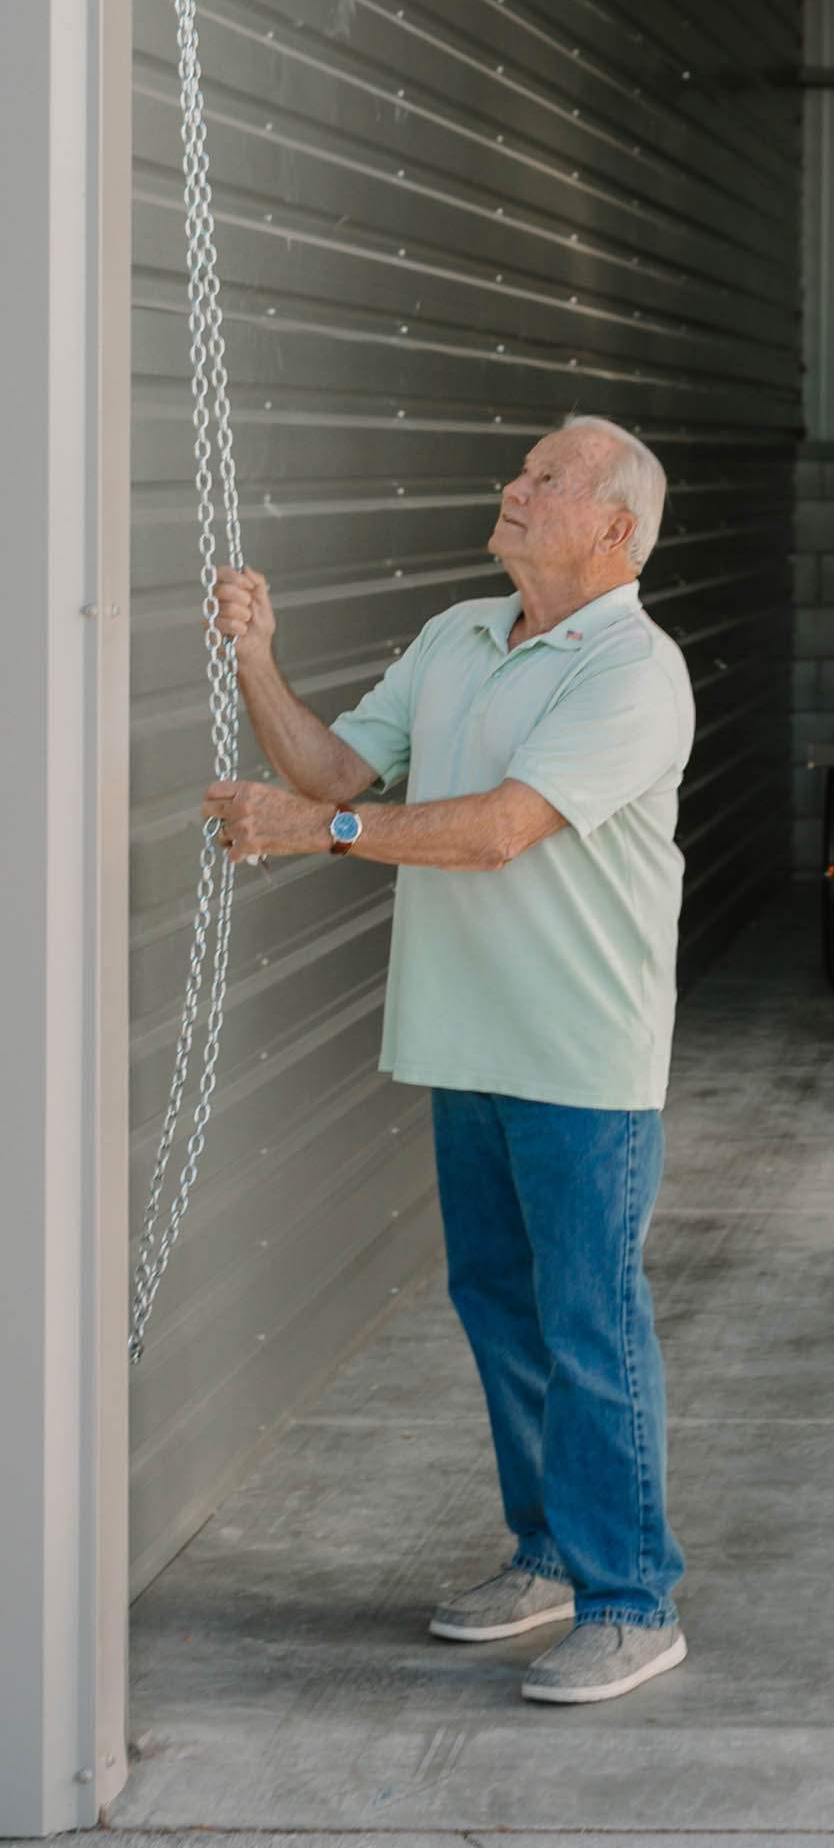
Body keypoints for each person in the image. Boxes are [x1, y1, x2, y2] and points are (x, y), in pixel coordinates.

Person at [204, 417, 696, 1706]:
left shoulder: (632, 671)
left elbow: (494, 834)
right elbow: (336, 770)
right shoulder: (458, 637)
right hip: (466, 1038)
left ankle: (633, 1600)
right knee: (502, 1310)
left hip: (580, 1055)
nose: (514, 489)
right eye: (522, 472)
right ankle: (546, 1557)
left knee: (591, 1328)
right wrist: (258, 659)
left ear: (614, 530)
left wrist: (320, 834)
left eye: (547, 481)